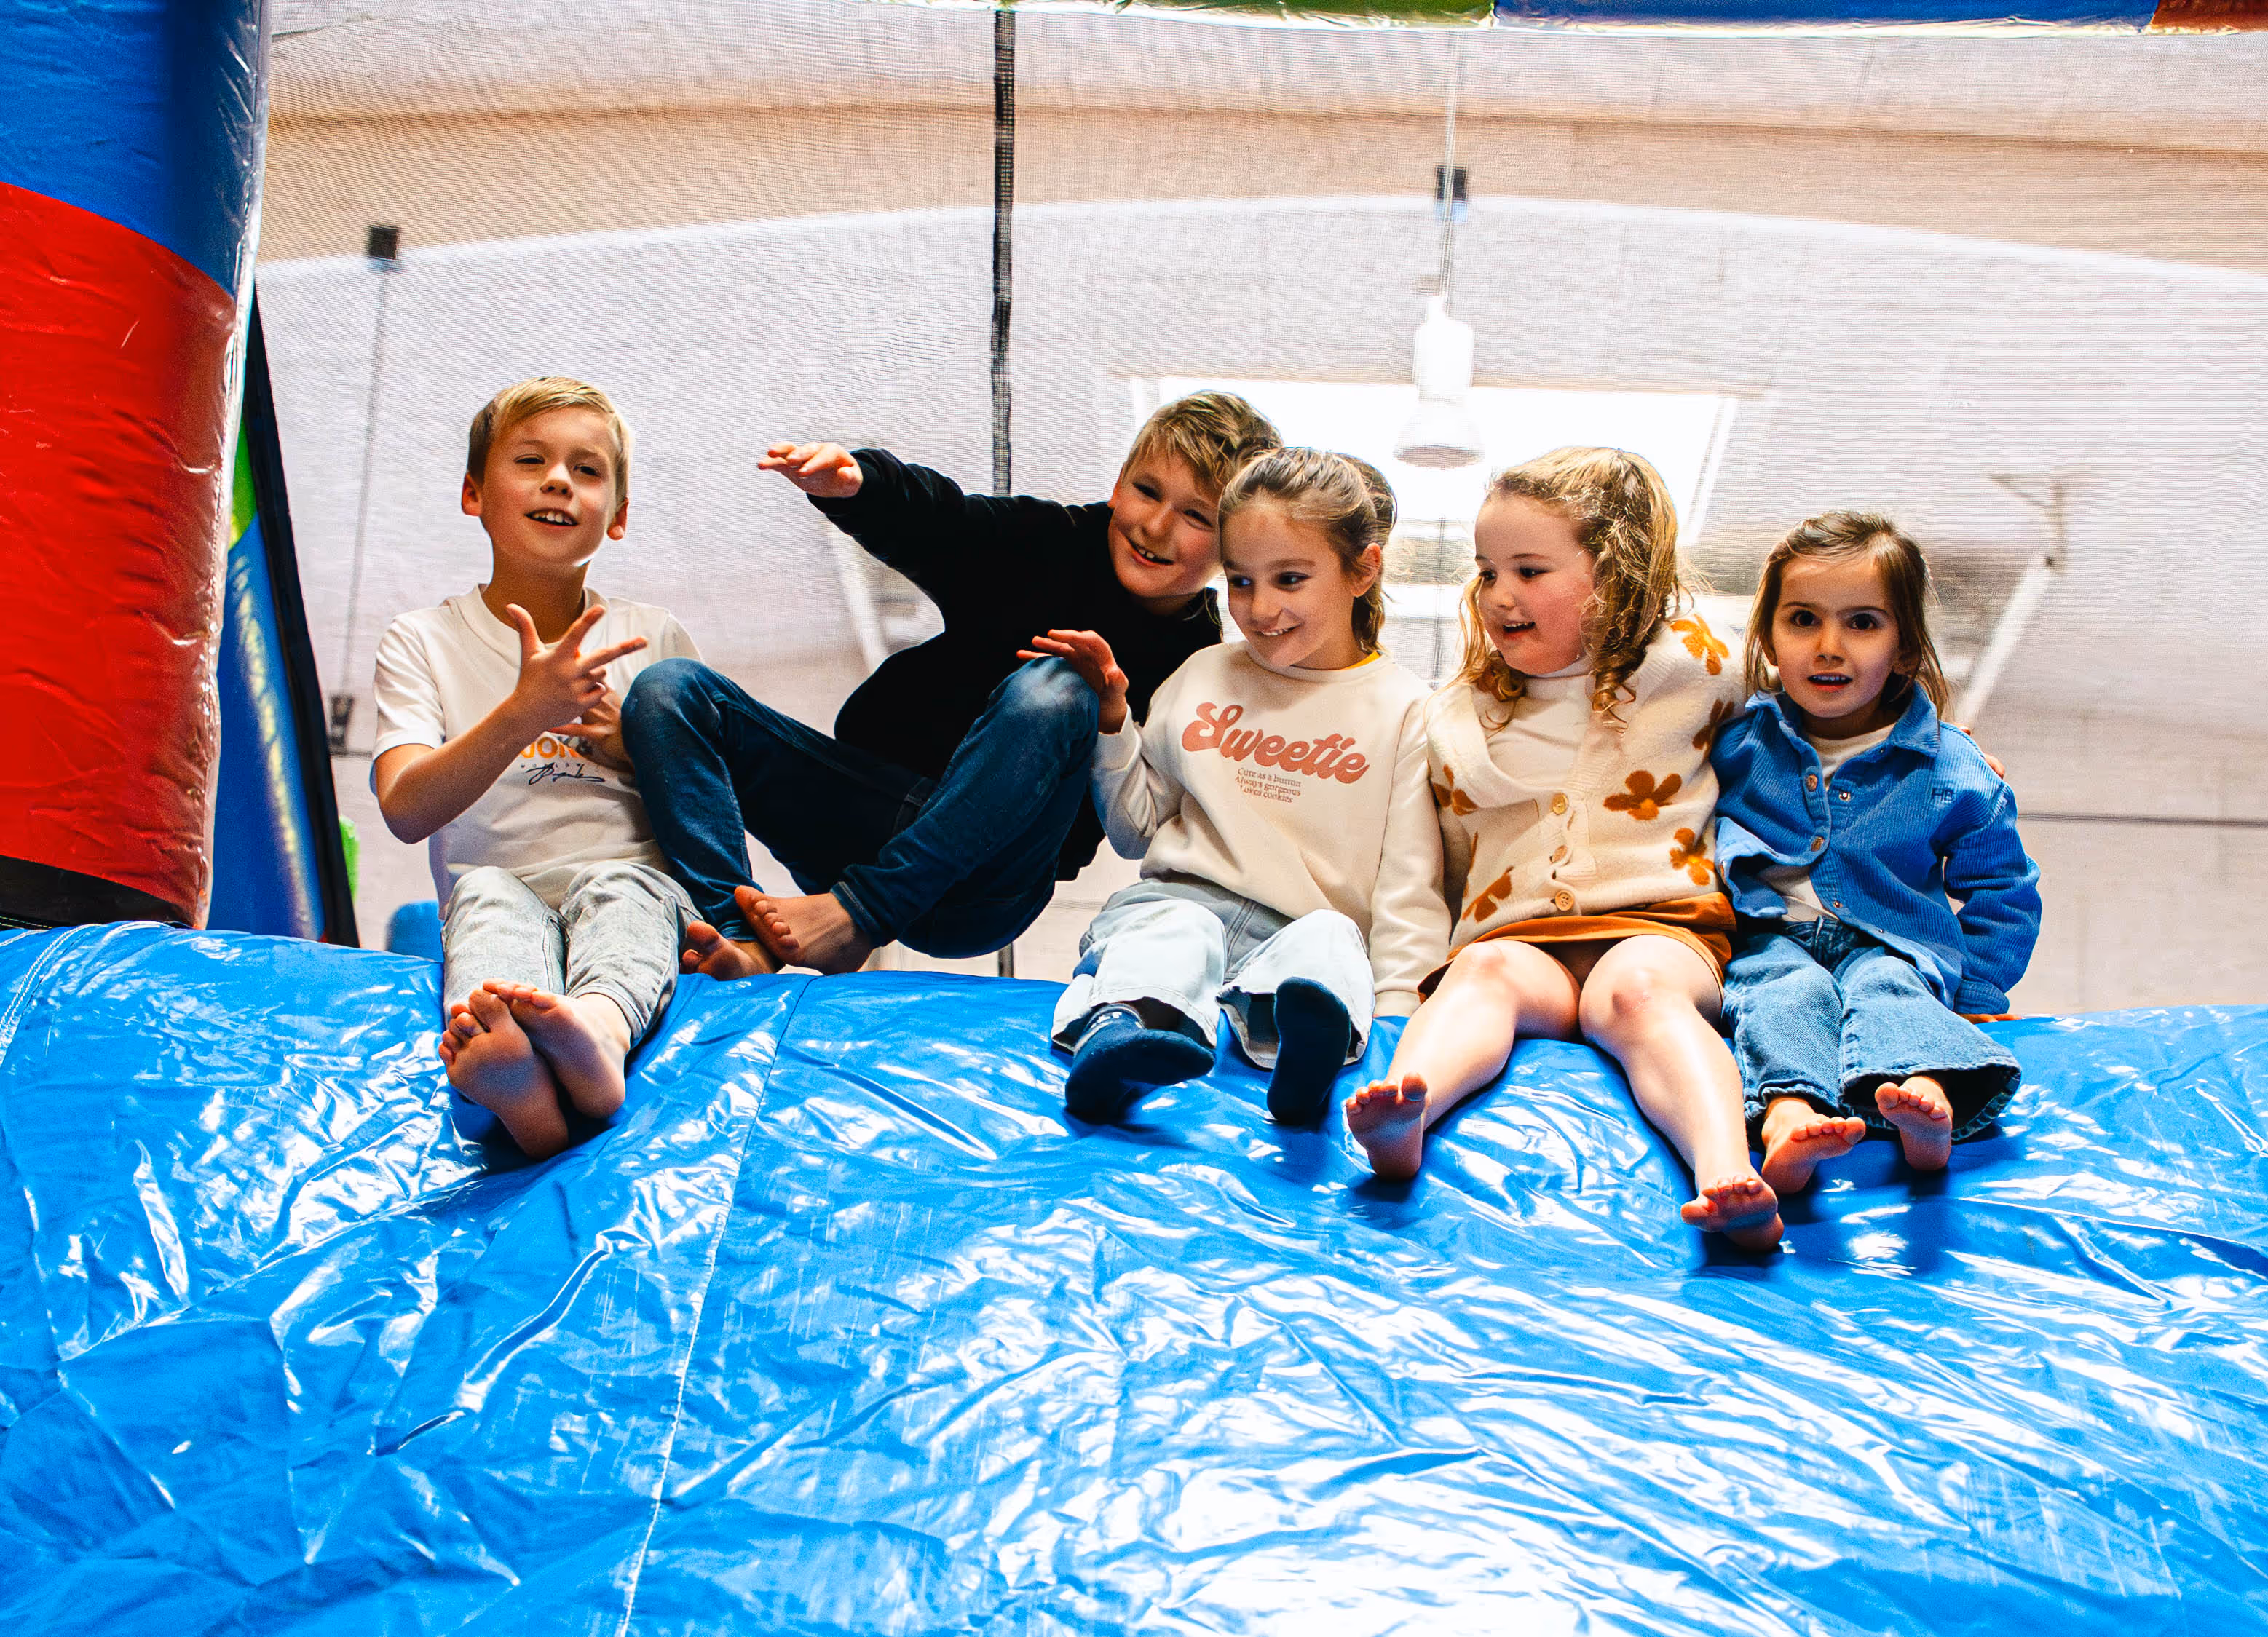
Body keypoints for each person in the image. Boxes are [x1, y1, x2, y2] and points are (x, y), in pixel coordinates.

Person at [621, 394, 1281, 978]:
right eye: (1146, 491)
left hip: (984, 882)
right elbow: (945, 520)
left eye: (1196, 517)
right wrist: (858, 483)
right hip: (864, 819)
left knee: (1062, 683)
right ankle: (736, 938)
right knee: (668, 689)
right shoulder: (1050, 541)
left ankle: (857, 915)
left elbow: (1141, 824)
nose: (1156, 527)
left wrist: (1113, 712)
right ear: (1116, 485)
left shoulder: (1201, 668)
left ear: (1231, 546)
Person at [1341, 448, 1779, 1248]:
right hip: (1518, 936)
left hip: (1659, 923)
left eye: (1529, 569)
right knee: (1480, 973)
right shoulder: (1458, 713)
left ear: (1613, 573)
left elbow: (1822, 714)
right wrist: (1400, 994)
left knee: (1642, 993)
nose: (1498, 594)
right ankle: (1410, 1105)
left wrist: (1938, 747)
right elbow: (1425, 870)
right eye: (1485, 571)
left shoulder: (1696, 663)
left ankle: (1725, 1168)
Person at [1030, 449, 1447, 1127]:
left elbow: (1409, 892)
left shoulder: (1407, 710)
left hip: (1297, 931)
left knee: (1332, 941)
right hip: (1175, 900)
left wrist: (1399, 1021)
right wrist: (1113, 722)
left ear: (1362, 570)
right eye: (1241, 581)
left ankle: (1306, 1052)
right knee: (1178, 932)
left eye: (1289, 579)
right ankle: (1122, 1037)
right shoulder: (1203, 674)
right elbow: (1136, 827)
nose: (1260, 608)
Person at [371, 377, 700, 1159]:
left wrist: (635, 748)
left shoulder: (652, 635)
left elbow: (705, 801)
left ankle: (599, 1028)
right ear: (473, 493)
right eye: (532, 460)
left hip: (630, 874)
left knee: (623, 890)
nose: (559, 480)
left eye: (587, 471)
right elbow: (406, 807)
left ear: (616, 516)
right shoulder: (423, 638)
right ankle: (520, 1077)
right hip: (498, 878)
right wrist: (525, 711)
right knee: (484, 899)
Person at [1709, 511, 2040, 1188]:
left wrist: (1978, 986)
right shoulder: (1739, 744)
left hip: (1891, 939)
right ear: (1769, 638)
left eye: (1861, 623)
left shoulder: (1948, 766)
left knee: (1889, 987)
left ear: (1907, 647)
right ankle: (1788, 1116)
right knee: (1780, 991)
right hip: (1768, 935)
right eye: (1802, 620)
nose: (1828, 646)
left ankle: (1927, 1096)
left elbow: (2001, 885)